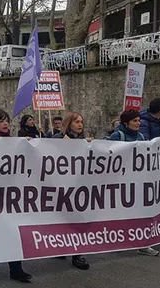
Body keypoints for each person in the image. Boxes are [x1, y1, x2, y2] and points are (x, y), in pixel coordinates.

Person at [0, 108, 32, 284]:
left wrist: (28, 145)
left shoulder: (13, 141)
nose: (6, 124)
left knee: (12, 230)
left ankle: (16, 269)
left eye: (7, 120)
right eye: (1, 121)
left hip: (10, 193)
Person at [107, 111, 160, 256]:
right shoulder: (117, 136)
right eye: (135, 121)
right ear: (126, 123)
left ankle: (143, 243)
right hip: (121, 182)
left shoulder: (141, 136)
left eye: (139, 120)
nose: (138, 123)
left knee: (141, 212)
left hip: (137, 181)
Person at [51, 112, 92, 270]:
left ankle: (77, 253)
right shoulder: (57, 139)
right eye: (76, 122)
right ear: (69, 123)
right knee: (62, 219)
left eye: (81, 121)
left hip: (78, 186)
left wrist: (88, 146)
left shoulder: (83, 141)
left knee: (77, 220)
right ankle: (62, 246)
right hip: (61, 186)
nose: (80, 125)